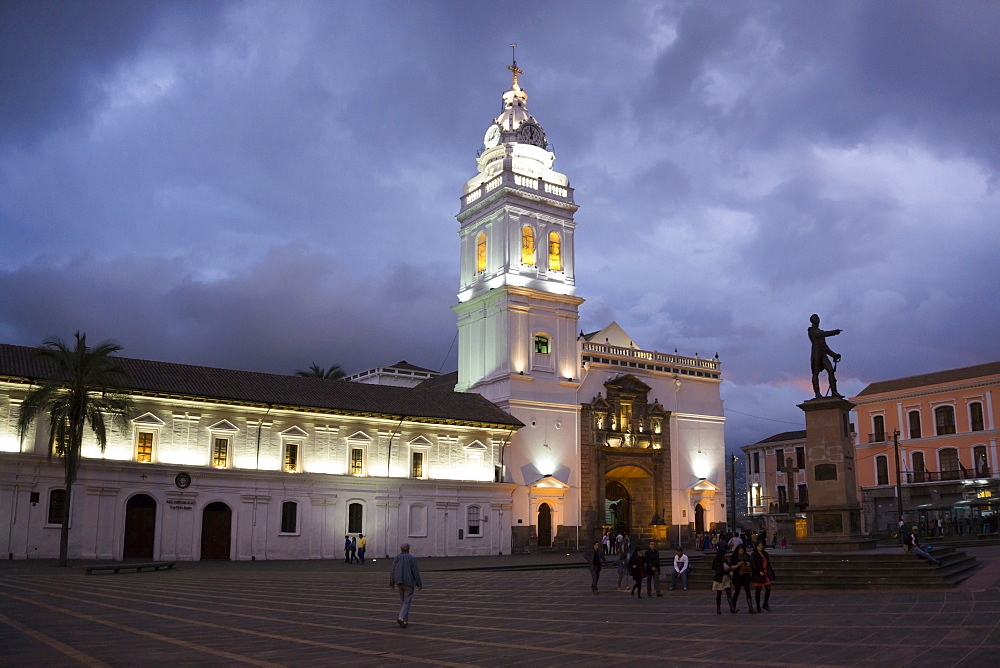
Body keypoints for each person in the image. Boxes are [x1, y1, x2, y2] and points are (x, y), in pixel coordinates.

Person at [389, 543, 422, 628]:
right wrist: (419, 584)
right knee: (407, 602)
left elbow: (392, 570)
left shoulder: (397, 558)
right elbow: (415, 572)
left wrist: (391, 583)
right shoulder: (412, 559)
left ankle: (405, 621)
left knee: (403, 602)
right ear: (408, 549)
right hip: (409, 582)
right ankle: (401, 617)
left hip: (399, 582)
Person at [809, 313, 842, 398]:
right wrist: (834, 332)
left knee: (830, 370)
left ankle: (834, 391)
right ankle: (817, 393)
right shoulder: (811, 330)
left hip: (823, 354)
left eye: (818, 318)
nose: (818, 319)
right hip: (816, 353)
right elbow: (822, 334)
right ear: (812, 320)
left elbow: (825, 347)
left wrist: (834, 355)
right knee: (815, 373)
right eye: (816, 318)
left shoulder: (819, 331)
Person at [730, 545, 756, 614]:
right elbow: (732, 566)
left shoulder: (746, 556)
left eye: (742, 550)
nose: (741, 552)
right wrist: (738, 565)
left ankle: (750, 608)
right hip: (737, 576)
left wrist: (748, 564)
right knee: (737, 591)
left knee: (748, 591)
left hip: (745, 575)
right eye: (740, 550)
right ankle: (733, 607)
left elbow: (750, 563)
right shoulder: (734, 556)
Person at [750, 542, 776, 612]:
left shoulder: (765, 554)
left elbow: (768, 563)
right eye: (759, 545)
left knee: (768, 588)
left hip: (765, 572)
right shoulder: (754, 554)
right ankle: (758, 605)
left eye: (761, 545)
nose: (760, 547)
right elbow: (753, 564)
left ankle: (765, 603)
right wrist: (758, 571)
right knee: (758, 590)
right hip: (758, 573)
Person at [711, 545, 735, 615]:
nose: (726, 555)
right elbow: (718, 571)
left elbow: (728, 567)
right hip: (720, 579)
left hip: (726, 579)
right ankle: (718, 608)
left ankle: (732, 608)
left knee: (729, 593)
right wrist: (727, 572)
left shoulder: (725, 560)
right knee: (719, 594)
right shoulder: (717, 561)